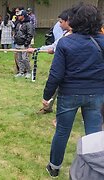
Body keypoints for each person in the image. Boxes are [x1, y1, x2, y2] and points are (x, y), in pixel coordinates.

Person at [43, 4, 104, 178]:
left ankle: (54, 167)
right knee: (95, 133)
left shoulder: (66, 42)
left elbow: (55, 74)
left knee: (62, 131)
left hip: (70, 94)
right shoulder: (98, 41)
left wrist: (47, 95)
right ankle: (96, 169)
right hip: (96, 94)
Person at [13, 10, 34, 79]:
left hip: (24, 44)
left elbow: (30, 34)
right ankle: (21, 72)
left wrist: (26, 43)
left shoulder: (28, 24)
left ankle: (28, 72)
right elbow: (16, 32)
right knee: (19, 59)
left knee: (25, 59)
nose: (18, 17)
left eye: (19, 15)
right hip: (18, 44)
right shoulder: (18, 24)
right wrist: (15, 40)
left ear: (23, 16)